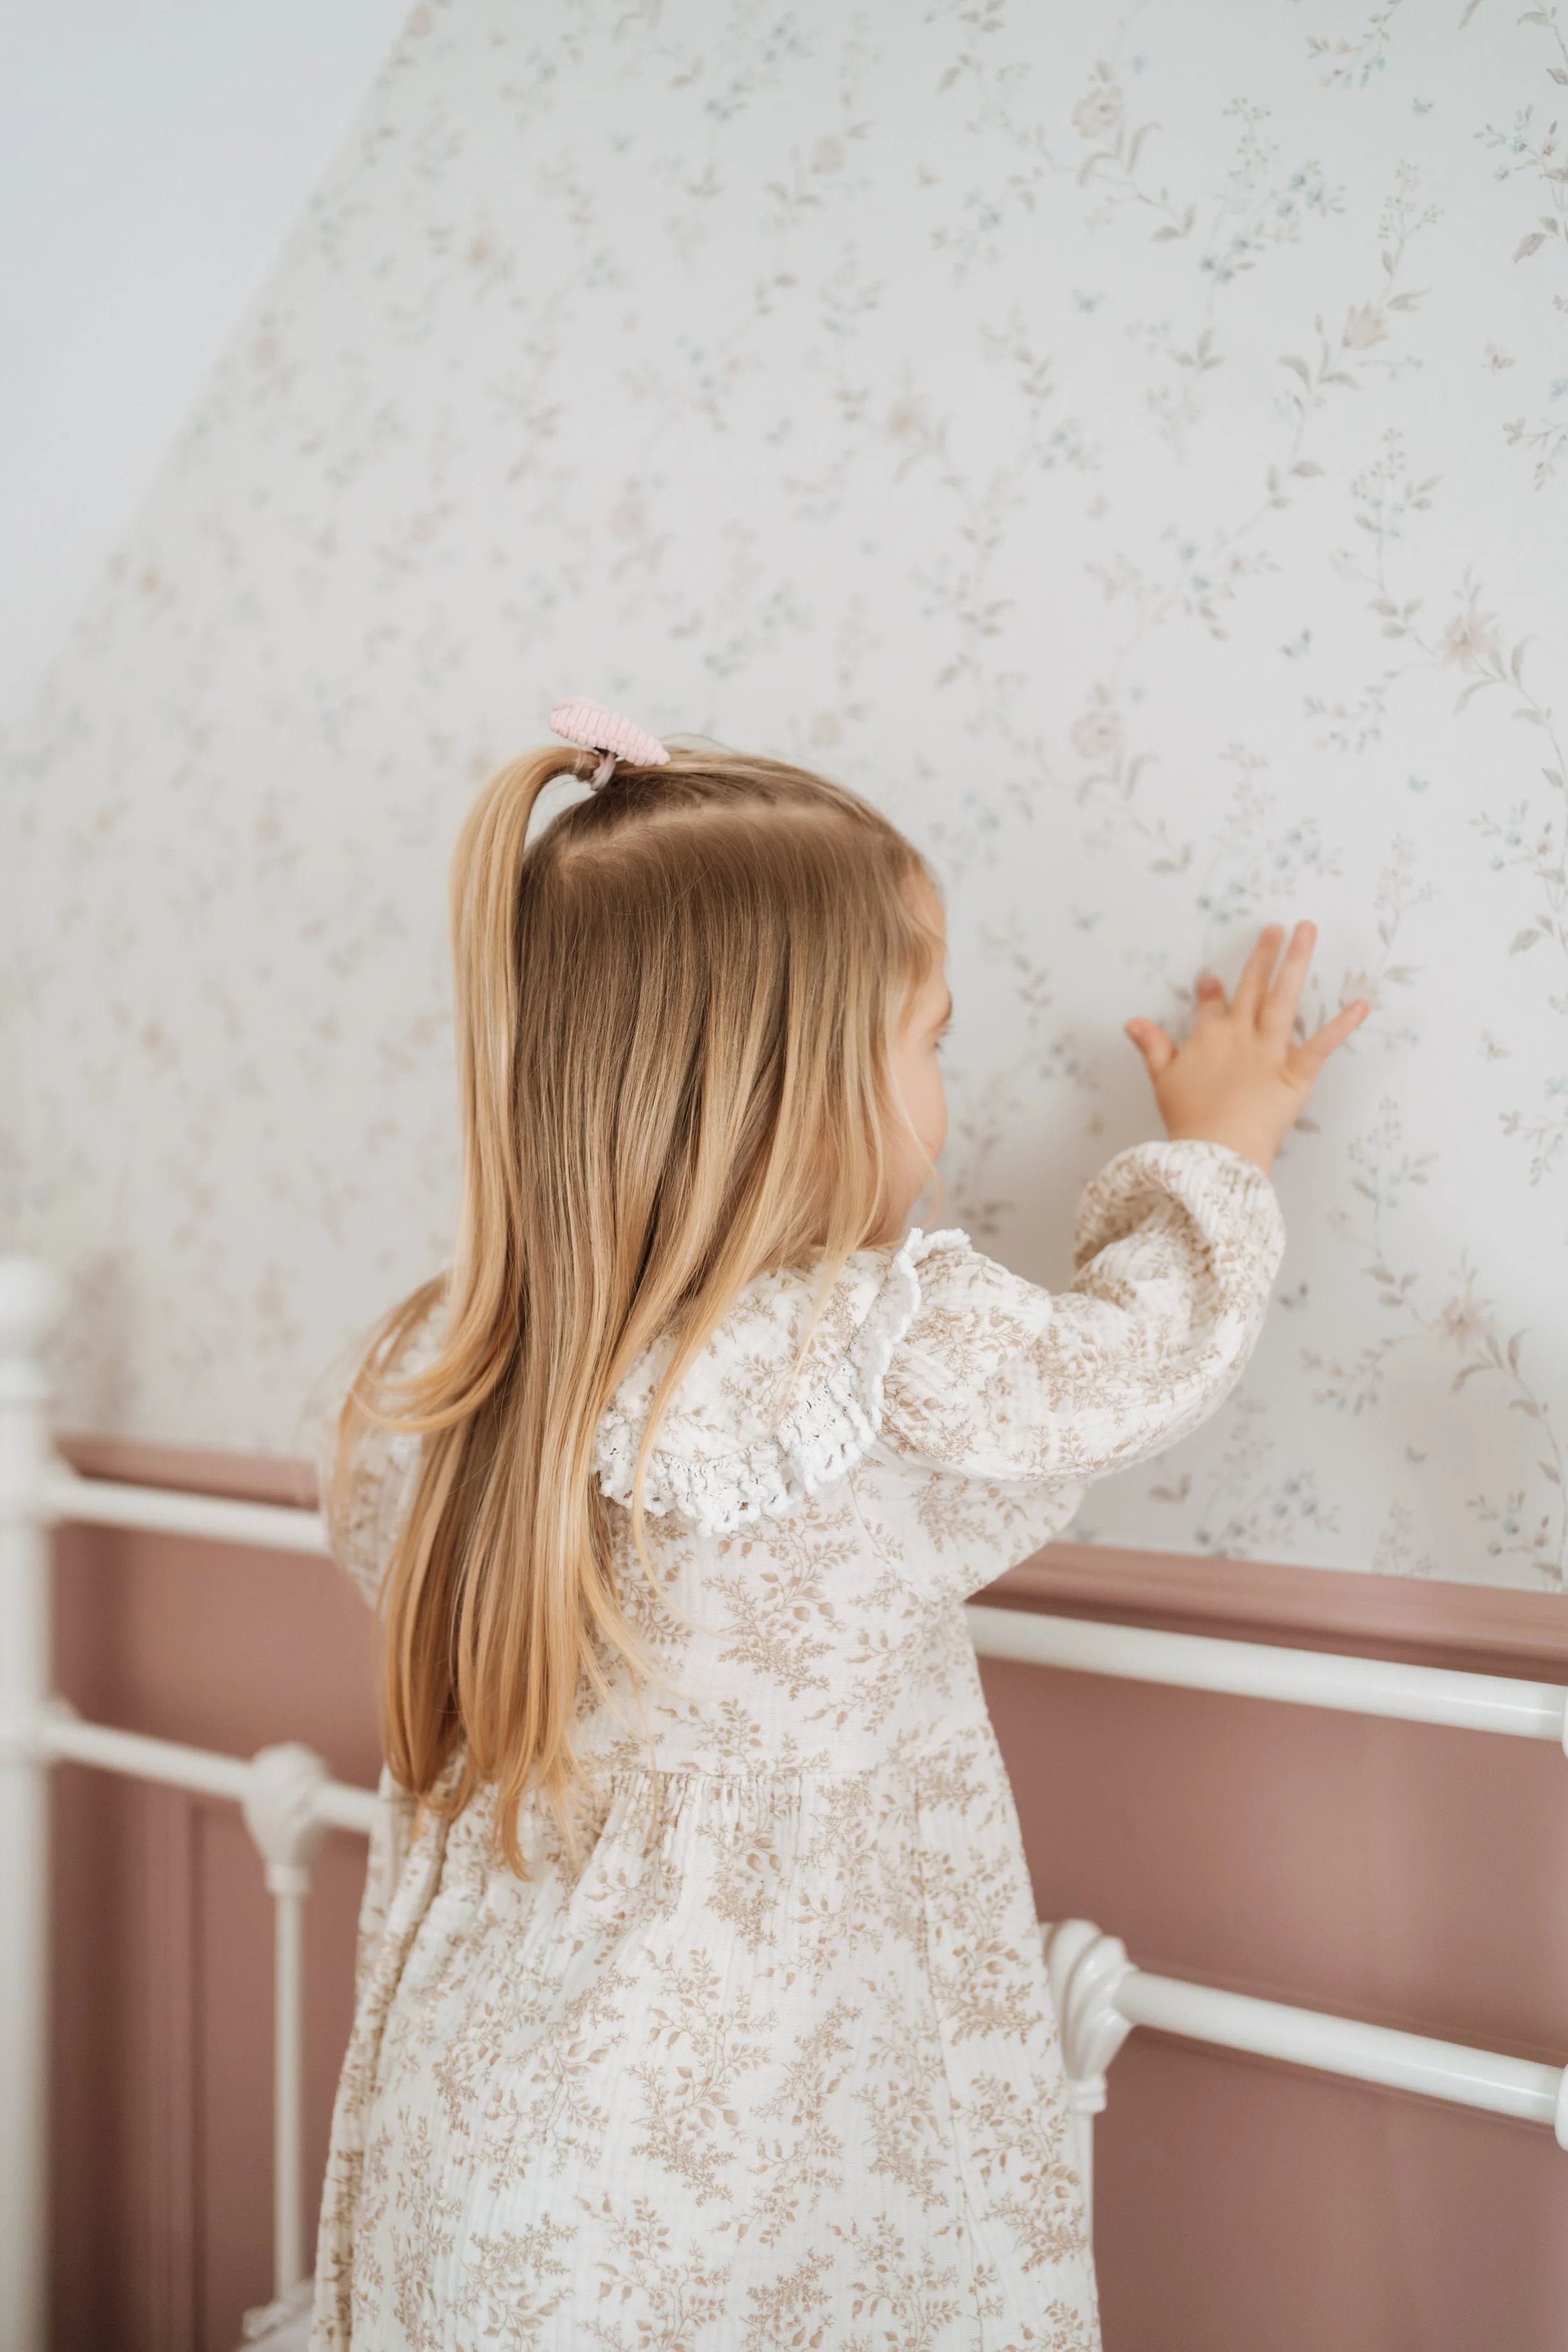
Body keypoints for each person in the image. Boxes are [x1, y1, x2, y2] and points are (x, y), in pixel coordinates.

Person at [309, 702, 1367, 2351]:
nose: (945, 1089)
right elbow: (1131, 1365)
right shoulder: (853, 1353)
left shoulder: (453, 1373)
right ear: (792, 1080)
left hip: (503, 2170)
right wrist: (1217, 1146)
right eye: (929, 1039)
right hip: (746, 2181)